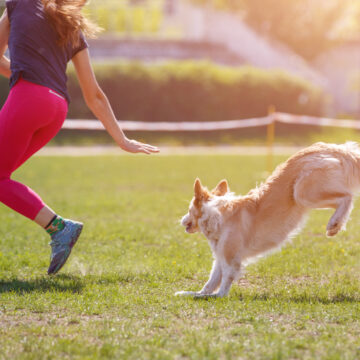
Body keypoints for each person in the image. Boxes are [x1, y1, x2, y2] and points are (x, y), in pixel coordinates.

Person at [0, 0, 159, 275]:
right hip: (57, 108)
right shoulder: (72, 26)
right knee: (2, 177)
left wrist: (21, 72)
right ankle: (59, 228)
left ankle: (60, 227)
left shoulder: (18, 3)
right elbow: (94, 94)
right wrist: (122, 139)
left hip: (28, 99)